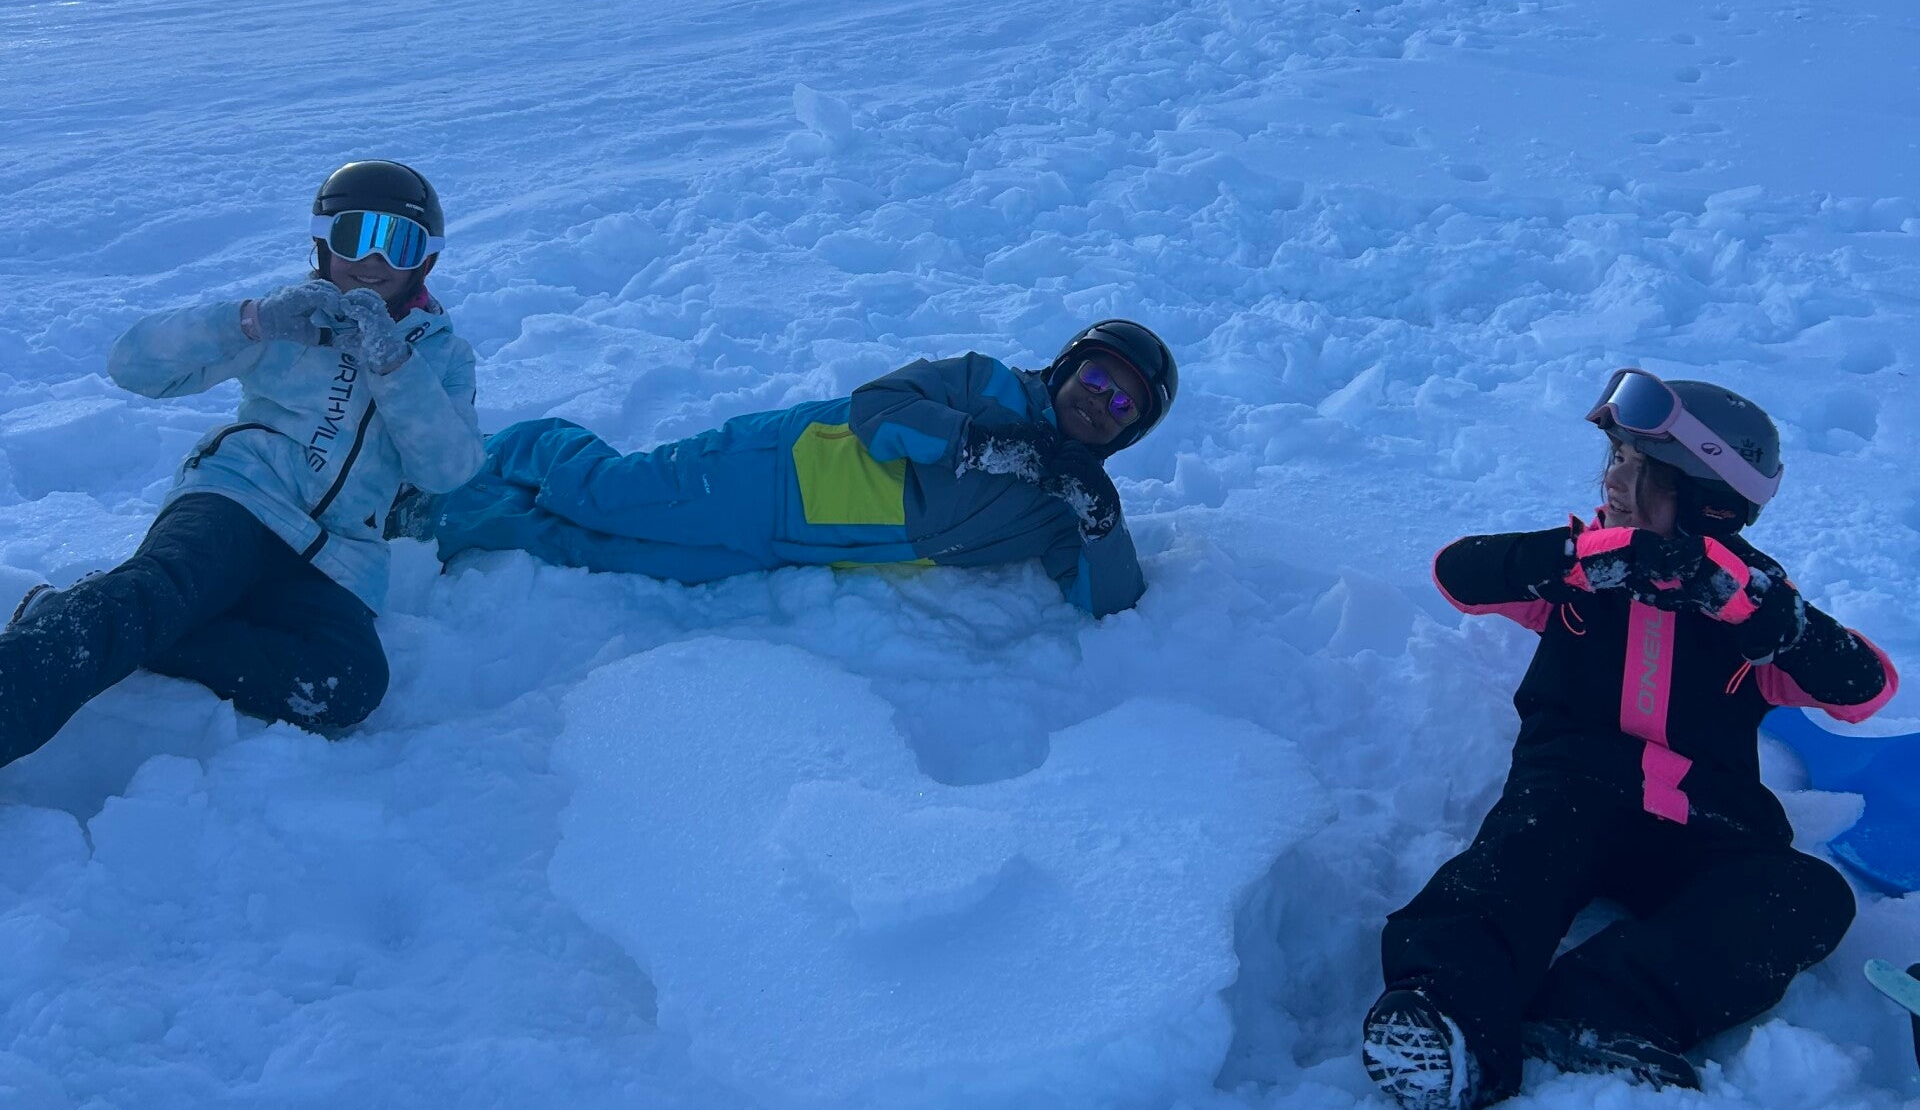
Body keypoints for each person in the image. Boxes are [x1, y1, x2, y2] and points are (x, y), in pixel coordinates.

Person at [1363, 370, 1898, 1110]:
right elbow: (1458, 572)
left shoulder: (1752, 604)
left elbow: (1866, 687)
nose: (1612, 478)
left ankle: (1603, 1009)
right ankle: (1444, 1008)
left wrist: (1762, 611)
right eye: (1614, 457)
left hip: (1707, 831)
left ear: (1708, 498)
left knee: (1808, 896)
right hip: (1569, 797)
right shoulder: (1579, 570)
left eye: (1640, 467)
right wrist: (1576, 560)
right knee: (1509, 863)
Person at [1, 163, 482, 765]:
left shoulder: (444, 357)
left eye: (399, 243)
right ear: (323, 242)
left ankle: (104, 615)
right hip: (238, 497)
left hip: (339, 553)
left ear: (425, 261)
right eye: (356, 235)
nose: (374, 259)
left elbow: (447, 471)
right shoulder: (291, 319)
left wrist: (396, 368)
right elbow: (132, 365)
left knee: (347, 684)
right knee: (159, 591)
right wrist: (250, 322)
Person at [407, 320, 1178, 620]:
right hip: (772, 471)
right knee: (599, 492)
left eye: (1123, 406)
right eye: (1096, 379)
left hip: (795, 545)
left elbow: (1107, 602)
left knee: (598, 548)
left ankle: (447, 517)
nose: (1101, 402)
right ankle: (507, 450)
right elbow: (877, 408)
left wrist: (1100, 518)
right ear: (1067, 368)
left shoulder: (1061, 507)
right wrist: (983, 444)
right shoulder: (990, 386)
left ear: (1129, 432)